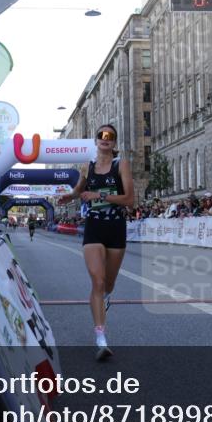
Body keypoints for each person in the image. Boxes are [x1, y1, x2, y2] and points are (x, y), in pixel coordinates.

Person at [57, 124, 134, 361]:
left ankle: (105, 296)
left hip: (115, 228)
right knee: (97, 282)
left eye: (110, 136)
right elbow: (80, 190)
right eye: (102, 135)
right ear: (96, 140)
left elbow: (129, 200)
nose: (105, 139)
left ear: (114, 142)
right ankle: (101, 337)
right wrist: (69, 196)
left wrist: (100, 195)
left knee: (108, 284)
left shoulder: (120, 164)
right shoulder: (87, 167)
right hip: (94, 227)